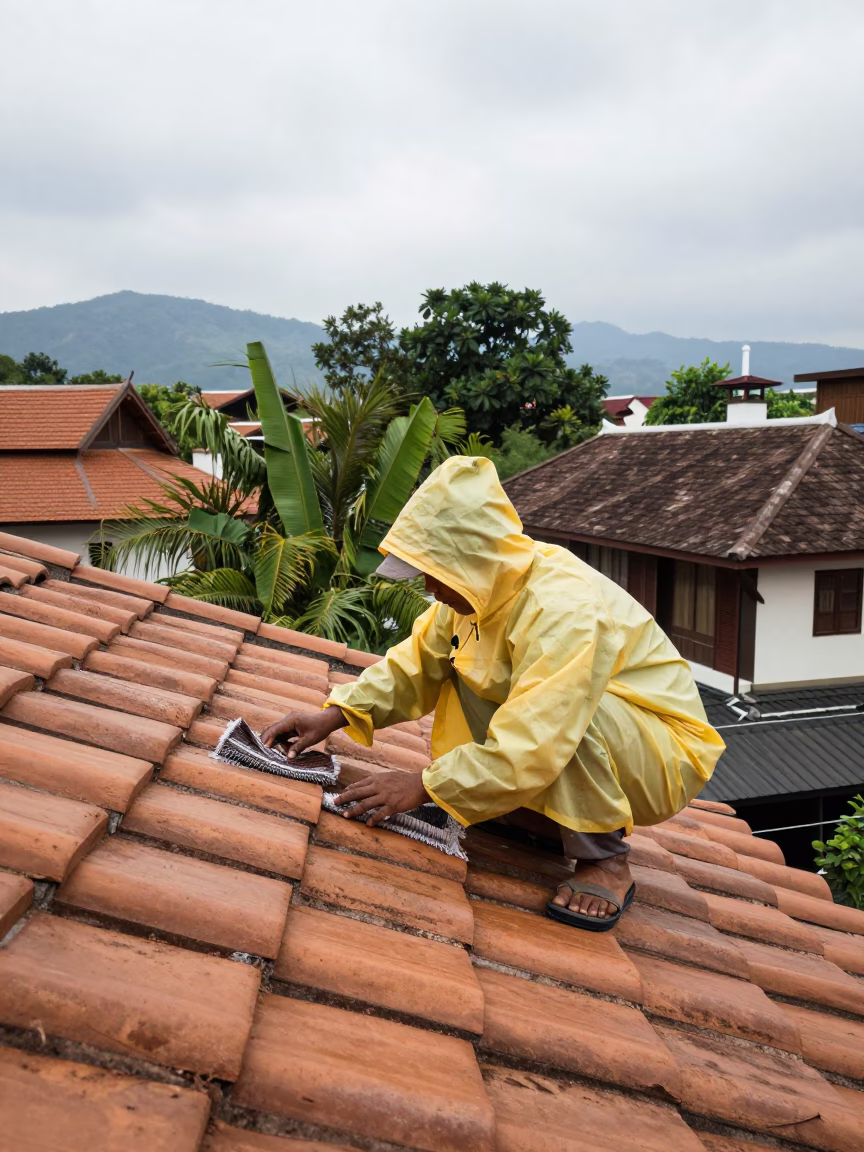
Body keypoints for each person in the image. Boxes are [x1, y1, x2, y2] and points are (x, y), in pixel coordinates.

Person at [262, 456, 725, 932]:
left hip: (663, 752)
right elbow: (414, 665)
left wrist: (424, 785)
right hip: (595, 735)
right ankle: (537, 818)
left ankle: (604, 859)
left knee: (564, 709)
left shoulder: (563, 607)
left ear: (470, 560)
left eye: (434, 573)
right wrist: (335, 714)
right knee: (471, 669)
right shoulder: (474, 594)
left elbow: (541, 731)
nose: (429, 587)